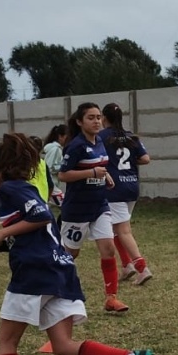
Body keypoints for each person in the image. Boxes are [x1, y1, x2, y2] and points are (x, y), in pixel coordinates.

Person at [0, 132, 155, 355]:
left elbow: (42, 216)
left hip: (35, 273)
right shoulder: (25, 188)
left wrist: (1, 234)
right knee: (62, 346)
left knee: (6, 342)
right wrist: (6, 244)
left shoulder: (11, 189)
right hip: (59, 268)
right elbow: (38, 231)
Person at [57, 102, 129, 313]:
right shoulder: (76, 145)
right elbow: (63, 175)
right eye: (91, 117)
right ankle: (55, 288)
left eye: (98, 117)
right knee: (70, 255)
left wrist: (105, 175)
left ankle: (111, 298)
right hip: (77, 210)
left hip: (99, 205)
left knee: (108, 249)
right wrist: (91, 174)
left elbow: (98, 166)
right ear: (80, 122)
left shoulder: (99, 142)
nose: (97, 121)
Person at [99, 103, 153, 285]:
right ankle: (126, 266)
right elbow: (145, 159)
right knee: (116, 228)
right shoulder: (131, 136)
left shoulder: (101, 137)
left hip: (114, 188)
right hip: (131, 186)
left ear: (104, 118)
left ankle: (142, 268)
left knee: (122, 230)